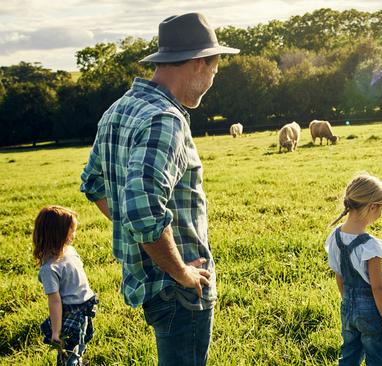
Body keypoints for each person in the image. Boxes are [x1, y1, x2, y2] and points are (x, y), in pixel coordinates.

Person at [79, 12, 239, 365]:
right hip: (178, 289)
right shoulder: (164, 119)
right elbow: (141, 208)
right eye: (214, 69)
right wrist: (179, 269)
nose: (213, 79)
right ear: (199, 63)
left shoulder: (119, 109)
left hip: (149, 282)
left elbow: (94, 184)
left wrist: (141, 239)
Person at [325, 173, 382, 366]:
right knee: (375, 357)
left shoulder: (335, 236)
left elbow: (339, 275)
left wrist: (348, 302)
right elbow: (378, 288)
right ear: (373, 207)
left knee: (349, 353)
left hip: (347, 307)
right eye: (381, 208)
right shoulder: (371, 247)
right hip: (372, 312)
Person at [33, 205, 98, 366]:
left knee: (80, 340)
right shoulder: (50, 268)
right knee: (69, 349)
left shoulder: (68, 250)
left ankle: (78, 359)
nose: (74, 233)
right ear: (59, 233)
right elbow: (54, 301)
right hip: (71, 311)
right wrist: (56, 331)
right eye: (72, 230)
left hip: (84, 306)